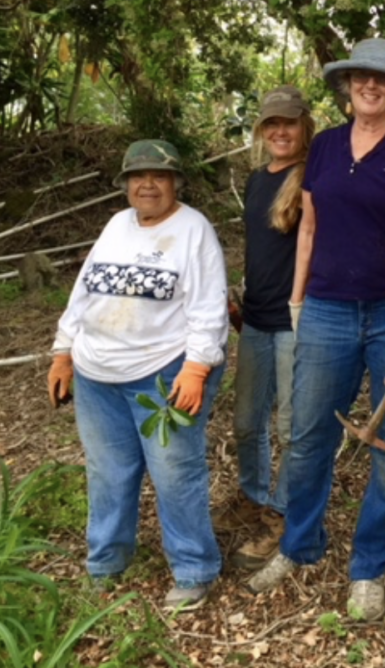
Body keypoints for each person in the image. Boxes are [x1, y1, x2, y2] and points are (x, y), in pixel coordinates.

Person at [245, 38, 385, 622]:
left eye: (382, 79)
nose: (370, 86)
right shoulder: (322, 147)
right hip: (324, 308)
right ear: (347, 88)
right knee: (307, 436)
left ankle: (369, 567)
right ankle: (299, 545)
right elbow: (309, 227)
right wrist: (298, 302)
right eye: (360, 79)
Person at [47, 139, 229, 612]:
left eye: (159, 176)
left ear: (175, 183)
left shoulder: (194, 231)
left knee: (174, 472)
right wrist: (63, 352)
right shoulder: (115, 225)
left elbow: (209, 307)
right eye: (138, 176)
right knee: (108, 471)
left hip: (162, 371)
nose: (147, 184)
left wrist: (196, 366)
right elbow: (84, 292)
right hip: (96, 373)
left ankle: (193, 569)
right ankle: (106, 562)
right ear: (126, 184)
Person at [215, 86, 315, 569]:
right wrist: (240, 299)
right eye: (271, 123)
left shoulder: (314, 177)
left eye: (289, 123)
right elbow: (257, 250)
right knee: (246, 423)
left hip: (296, 320)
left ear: (304, 127)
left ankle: (282, 512)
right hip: (255, 317)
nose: (279, 131)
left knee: (291, 427)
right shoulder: (257, 180)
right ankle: (253, 495)